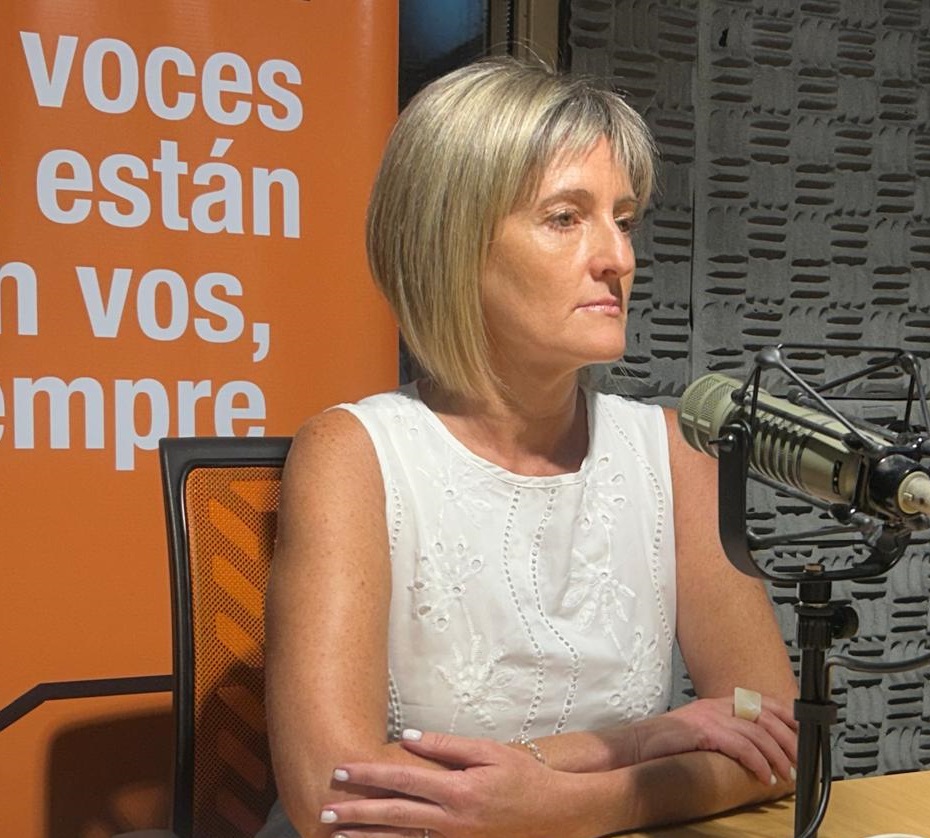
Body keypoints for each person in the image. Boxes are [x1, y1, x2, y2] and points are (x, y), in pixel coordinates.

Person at [261, 57, 799, 838]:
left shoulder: (678, 457)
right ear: (452, 243)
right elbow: (334, 795)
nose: (619, 259)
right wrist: (639, 745)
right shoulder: (351, 455)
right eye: (565, 219)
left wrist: (569, 806)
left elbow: (776, 738)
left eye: (623, 220)